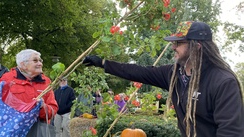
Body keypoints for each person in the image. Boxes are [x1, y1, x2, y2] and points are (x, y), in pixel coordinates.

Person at [83, 21, 244, 137]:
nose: (173, 47)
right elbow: (139, 72)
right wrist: (104, 64)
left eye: (179, 43)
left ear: (197, 47)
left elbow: (231, 132)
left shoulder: (223, 82)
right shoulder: (175, 75)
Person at [0, 49, 58, 135]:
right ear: (23, 64)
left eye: (40, 60)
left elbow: (53, 111)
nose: (40, 63)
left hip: (36, 130)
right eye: (35, 60)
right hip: (11, 130)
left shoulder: (46, 81)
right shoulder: (8, 78)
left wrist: (42, 107)